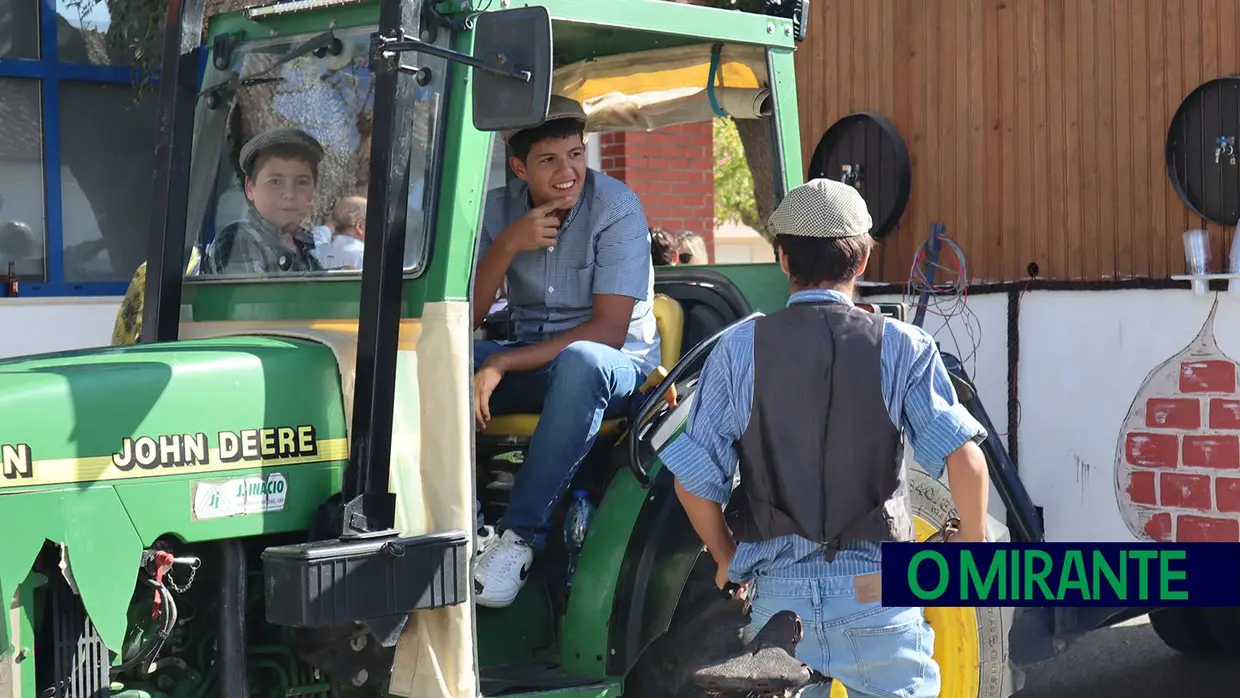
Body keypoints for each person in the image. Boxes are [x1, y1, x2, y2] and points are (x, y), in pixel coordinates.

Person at [659, 178, 991, 697]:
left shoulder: (735, 349)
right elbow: (965, 460)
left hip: (778, 615)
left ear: (783, 260)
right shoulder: (904, 344)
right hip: (879, 596)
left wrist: (728, 559)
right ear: (861, 262)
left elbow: (693, 484)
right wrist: (971, 544)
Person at [470, 95, 660, 607]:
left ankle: (519, 540)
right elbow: (463, 317)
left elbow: (607, 332)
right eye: (549, 160)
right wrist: (507, 245)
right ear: (518, 167)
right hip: (536, 355)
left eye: (576, 154)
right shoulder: (495, 210)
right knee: (438, 356)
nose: (567, 171)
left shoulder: (616, 207)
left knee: (581, 362)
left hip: (614, 367)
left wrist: (501, 361)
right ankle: (467, 525)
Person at [206, 127, 326, 275]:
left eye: (302, 182)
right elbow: (251, 297)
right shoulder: (240, 240)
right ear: (250, 188)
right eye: (275, 181)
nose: (289, 194)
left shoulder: (304, 247)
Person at [313, 194, 367, 270]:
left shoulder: (316, 253)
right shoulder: (367, 258)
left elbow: (318, 237)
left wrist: (334, 217)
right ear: (360, 226)